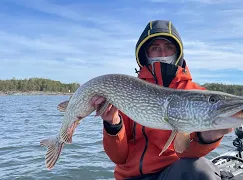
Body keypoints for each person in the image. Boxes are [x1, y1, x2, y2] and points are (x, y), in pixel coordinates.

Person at [90, 20, 233, 180]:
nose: (163, 54)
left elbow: (187, 155)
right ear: (145, 54)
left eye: (168, 47)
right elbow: (119, 158)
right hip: (130, 177)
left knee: (201, 170)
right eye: (155, 48)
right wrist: (113, 125)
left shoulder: (197, 94)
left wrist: (207, 138)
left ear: (178, 51)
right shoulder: (128, 90)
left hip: (171, 174)